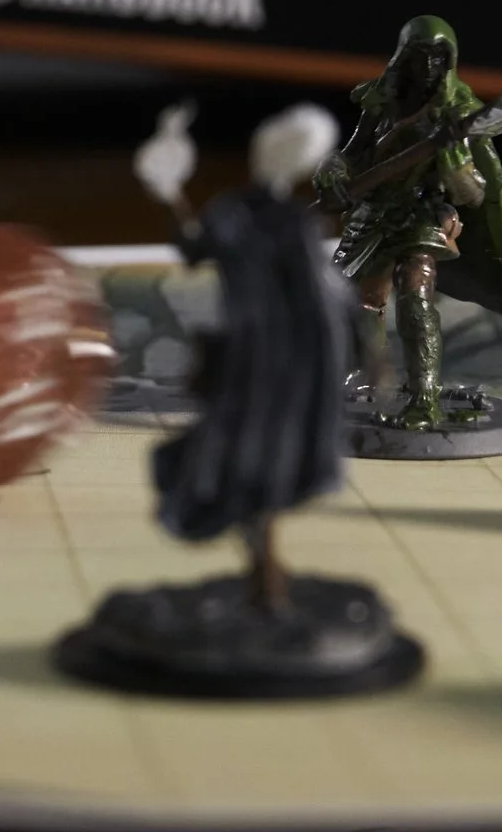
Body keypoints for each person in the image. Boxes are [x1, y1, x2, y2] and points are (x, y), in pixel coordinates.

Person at [135, 102, 347, 607]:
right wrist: (168, 193)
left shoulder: (248, 214)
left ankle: (263, 568)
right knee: (247, 456)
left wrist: (171, 199)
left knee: (254, 456)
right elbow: (326, 294)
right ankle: (262, 565)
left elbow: (195, 251)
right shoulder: (269, 217)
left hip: (276, 355)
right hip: (270, 353)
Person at [312, 16, 502, 431]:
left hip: (421, 214)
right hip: (372, 214)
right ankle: (363, 376)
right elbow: (355, 152)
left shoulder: (457, 112)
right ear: (404, 57)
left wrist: (454, 163)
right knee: (354, 301)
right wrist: (332, 171)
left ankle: (424, 399)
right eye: (421, 56)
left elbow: (472, 194)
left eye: (438, 57)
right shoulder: (385, 101)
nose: (429, 66)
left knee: (414, 300)